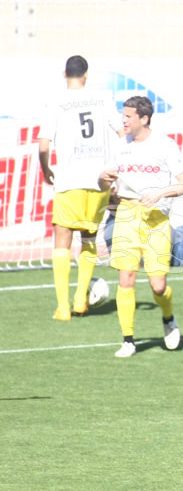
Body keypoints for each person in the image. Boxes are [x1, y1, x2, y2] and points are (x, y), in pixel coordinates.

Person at [98, 96, 183, 358]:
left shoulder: (165, 145)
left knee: (158, 286)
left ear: (144, 119)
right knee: (125, 278)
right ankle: (128, 340)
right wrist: (103, 179)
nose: (123, 121)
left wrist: (161, 193)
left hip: (156, 220)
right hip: (126, 215)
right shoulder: (119, 146)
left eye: (128, 116)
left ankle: (168, 317)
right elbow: (105, 181)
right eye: (123, 115)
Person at [36, 55, 123, 321]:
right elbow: (121, 134)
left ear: (65, 74)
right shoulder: (103, 98)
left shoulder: (56, 102)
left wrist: (46, 168)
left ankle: (64, 308)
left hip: (69, 179)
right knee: (88, 237)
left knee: (62, 238)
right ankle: (81, 298)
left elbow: (43, 145)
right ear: (86, 74)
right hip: (99, 180)